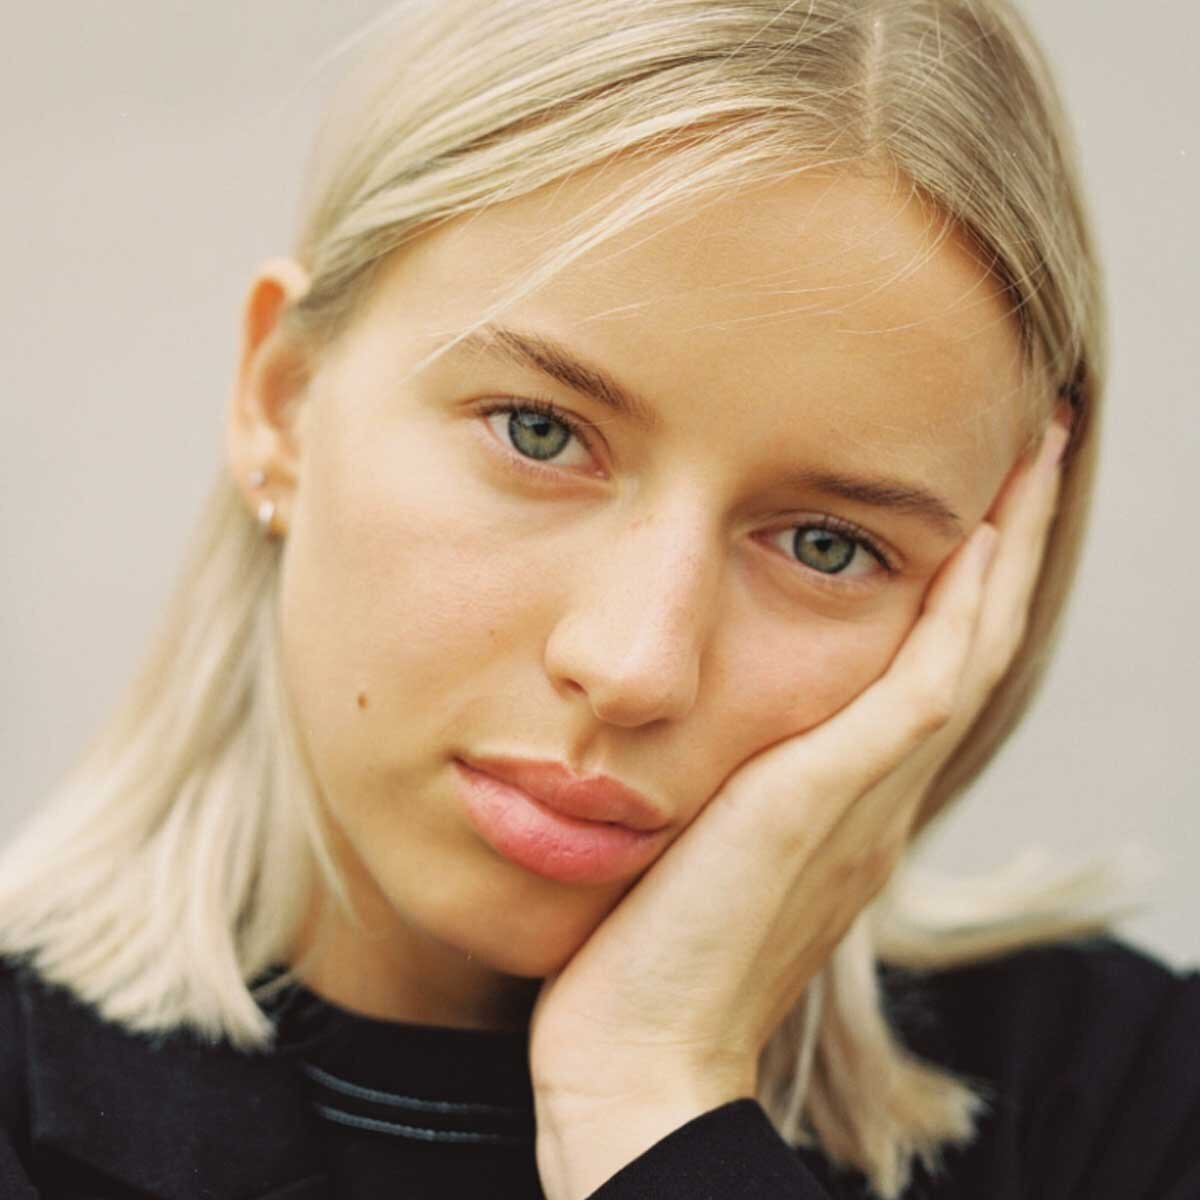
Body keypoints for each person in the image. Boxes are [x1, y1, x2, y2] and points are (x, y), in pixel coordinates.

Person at [1, 0, 1196, 1197]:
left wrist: (653, 1096)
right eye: (539, 432)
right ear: (282, 401)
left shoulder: (1134, 1111)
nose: (635, 663)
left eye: (828, 546)